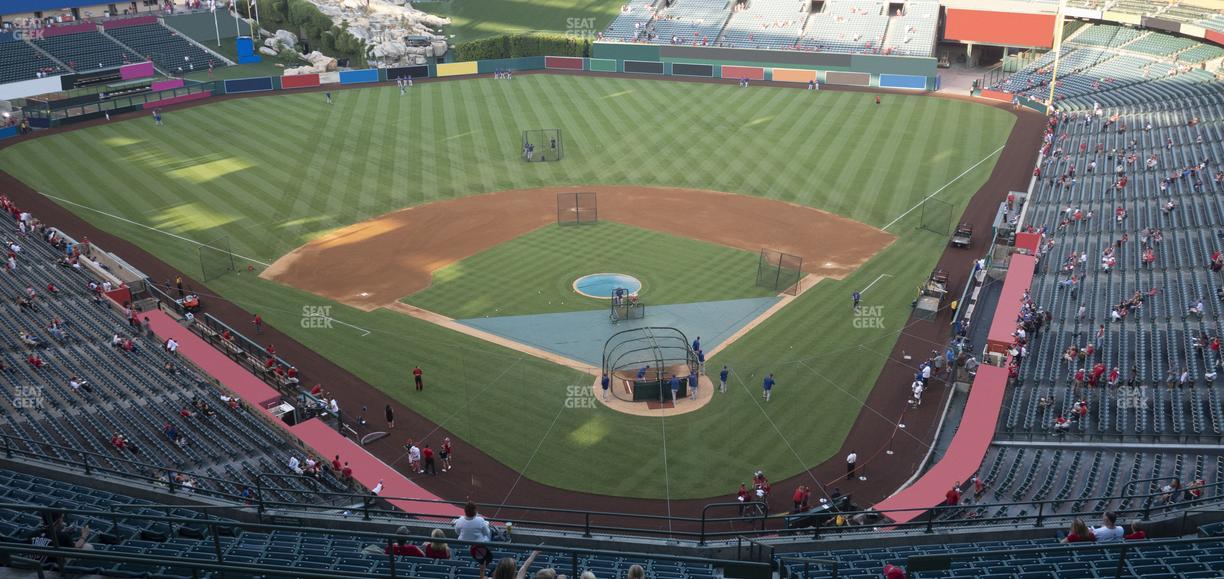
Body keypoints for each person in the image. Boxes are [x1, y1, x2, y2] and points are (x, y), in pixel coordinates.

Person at [454, 501, 493, 578]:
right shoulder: (480, 520)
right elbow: (486, 532)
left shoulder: (460, 520)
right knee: (489, 532)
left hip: (463, 541)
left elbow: (457, 532)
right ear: (475, 511)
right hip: (479, 543)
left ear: (465, 511)